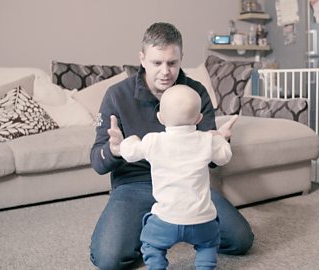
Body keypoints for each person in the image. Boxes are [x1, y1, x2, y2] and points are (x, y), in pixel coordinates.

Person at [89, 22, 254, 269]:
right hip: (135, 185)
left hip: (188, 185)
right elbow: (97, 162)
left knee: (241, 240)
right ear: (142, 59)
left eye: (172, 63)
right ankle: (156, 231)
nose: (165, 71)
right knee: (108, 259)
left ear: (181, 58)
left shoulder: (195, 93)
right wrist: (113, 150)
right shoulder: (116, 95)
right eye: (157, 63)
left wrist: (219, 141)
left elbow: (211, 161)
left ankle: (173, 231)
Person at [120, 85, 234, 269]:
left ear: (160, 117)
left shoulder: (152, 141)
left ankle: (157, 266)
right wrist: (220, 137)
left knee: (150, 243)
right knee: (208, 244)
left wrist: (129, 140)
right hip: (202, 220)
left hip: (165, 220)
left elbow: (129, 153)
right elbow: (224, 157)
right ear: (199, 118)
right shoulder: (207, 140)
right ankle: (205, 266)